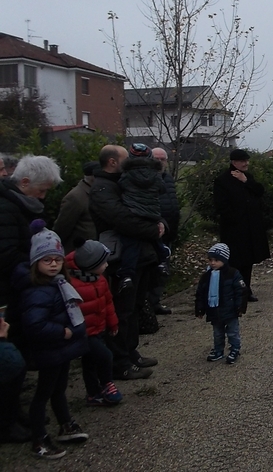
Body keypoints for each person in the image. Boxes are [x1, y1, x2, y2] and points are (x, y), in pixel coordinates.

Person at [12, 227, 89, 460]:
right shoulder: (36, 291)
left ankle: (65, 423)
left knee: (59, 389)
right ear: (37, 262)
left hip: (60, 350)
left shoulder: (57, 284)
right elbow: (34, 325)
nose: (54, 264)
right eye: (47, 260)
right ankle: (39, 438)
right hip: (49, 349)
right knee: (43, 394)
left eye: (57, 259)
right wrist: (63, 332)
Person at [0, 155, 62, 444]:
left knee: (19, 356)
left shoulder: (22, 206)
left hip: (20, 291)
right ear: (24, 183)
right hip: (9, 293)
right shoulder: (7, 209)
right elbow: (7, 255)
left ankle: (14, 413)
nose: (44, 196)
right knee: (10, 359)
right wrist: (40, 274)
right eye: (42, 191)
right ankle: (6, 421)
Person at [89, 145, 161, 379]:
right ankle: (120, 363)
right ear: (112, 162)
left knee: (135, 307)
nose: (129, 161)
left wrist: (162, 225)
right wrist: (154, 230)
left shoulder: (124, 182)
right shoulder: (103, 188)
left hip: (141, 255)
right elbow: (123, 220)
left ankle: (131, 352)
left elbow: (150, 211)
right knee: (122, 310)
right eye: (124, 158)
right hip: (121, 258)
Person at [67, 238, 123, 407]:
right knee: (105, 355)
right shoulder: (72, 284)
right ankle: (107, 383)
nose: (106, 266)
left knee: (90, 362)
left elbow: (108, 302)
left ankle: (93, 393)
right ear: (91, 264)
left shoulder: (100, 279)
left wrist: (112, 323)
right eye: (103, 263)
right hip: (83, 332)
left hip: (98, 328)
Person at [213, 149, 271, 302]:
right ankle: (234, 290)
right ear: (234, 162)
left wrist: (246, 181)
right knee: (235, 261)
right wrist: (235, 219)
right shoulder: (222, 180)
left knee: (248, 261)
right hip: (234, 229)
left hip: (250, 228)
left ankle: (246, 289)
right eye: (242, 161)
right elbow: (221, 206)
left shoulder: (247, 177)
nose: (246, 163)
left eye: (247, 160)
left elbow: (259, 191)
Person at [116, 143, 170, 291]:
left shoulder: (126, 176)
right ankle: (163, 261)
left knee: (131, 245)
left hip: (133, 213)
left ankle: (127, 275)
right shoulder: (156, 175)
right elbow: (162, 189)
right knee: (156, 239)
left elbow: (120, 187)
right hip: (152, 214)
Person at [195, 243, 246, 364]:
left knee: (233, 332)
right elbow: (200, 293)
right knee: (217, 333)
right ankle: (218, 350)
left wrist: (240, 306)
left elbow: (241, 291)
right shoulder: (206, 276)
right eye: (210, 260)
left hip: (230, 309)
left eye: (216, 260)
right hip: (214, 310)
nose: (213, 263)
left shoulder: (233, 274)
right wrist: (200, 308)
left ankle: (235, 349)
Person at [149, 147, 180, 315]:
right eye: (156, 159)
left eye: (163, 159)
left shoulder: (168, 178)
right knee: (151, 271)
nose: (159, 162)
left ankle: (155, 303)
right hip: (153, 234)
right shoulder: (147, 180)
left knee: (163, 271)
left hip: (168, 233)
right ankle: (147, 306)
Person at [53, 162, 99, 254]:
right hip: (78, 253)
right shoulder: (75, 197)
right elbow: (62, 227)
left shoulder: (95, 192)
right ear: (93, 177)